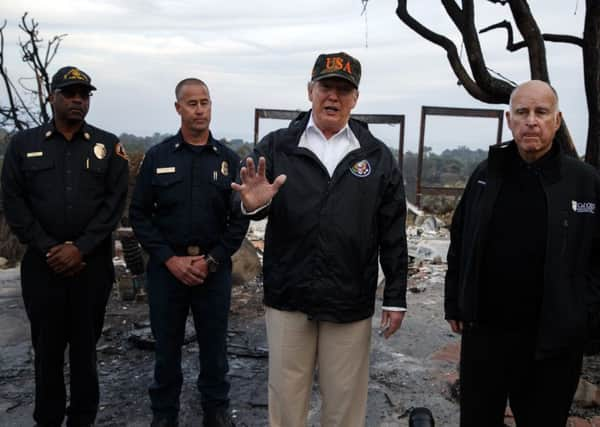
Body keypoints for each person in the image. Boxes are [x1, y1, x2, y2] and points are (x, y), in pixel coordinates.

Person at [231, 52, 408, 427]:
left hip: (349, 297)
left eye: (344, 90)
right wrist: (251, 204)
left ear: (356, 98)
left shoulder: (375, 156)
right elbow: (248, 197)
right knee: (286, 396)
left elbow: (392, 230)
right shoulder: (279, 146)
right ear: (310, 90)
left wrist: (395, 294)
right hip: (289, 295)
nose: (334, 97)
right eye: (326, 86)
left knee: (344, 403)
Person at [445, 80, 600, 426]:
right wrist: (455, 301)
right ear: (509, 119)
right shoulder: (486, 176)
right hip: (486, 339)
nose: (531, 120)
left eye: (541, 112)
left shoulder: (584, 182)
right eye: (522, 112)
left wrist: (584, 316)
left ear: (556, 121)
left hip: (552, 345)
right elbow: (460, 240)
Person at [1, 66, 129, 427]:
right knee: (47, 352)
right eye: (70, 93)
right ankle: (48, 419)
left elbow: (113, 204)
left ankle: (82, 420)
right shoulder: (24, 145)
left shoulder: (107, 146)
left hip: (92, 268)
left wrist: (81, 248)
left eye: (84, 94)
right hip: (44, 269)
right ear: (52, 96)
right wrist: (50, 248)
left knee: (86, 351)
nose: (77, 100)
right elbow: (14, 202)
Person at [129, 78, 248, 427]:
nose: (200, 109)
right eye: (192, 103)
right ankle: (164, 414)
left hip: (213, 270)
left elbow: (239, 218)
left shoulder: (228, 160)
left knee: (215, 347)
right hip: (168, 270)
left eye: (205, 102)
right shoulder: (158, 157)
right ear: (178, 108)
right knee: (166, 348)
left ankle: (216, 409)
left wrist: (213, 260)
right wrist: (169, 259)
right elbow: (139, 214)